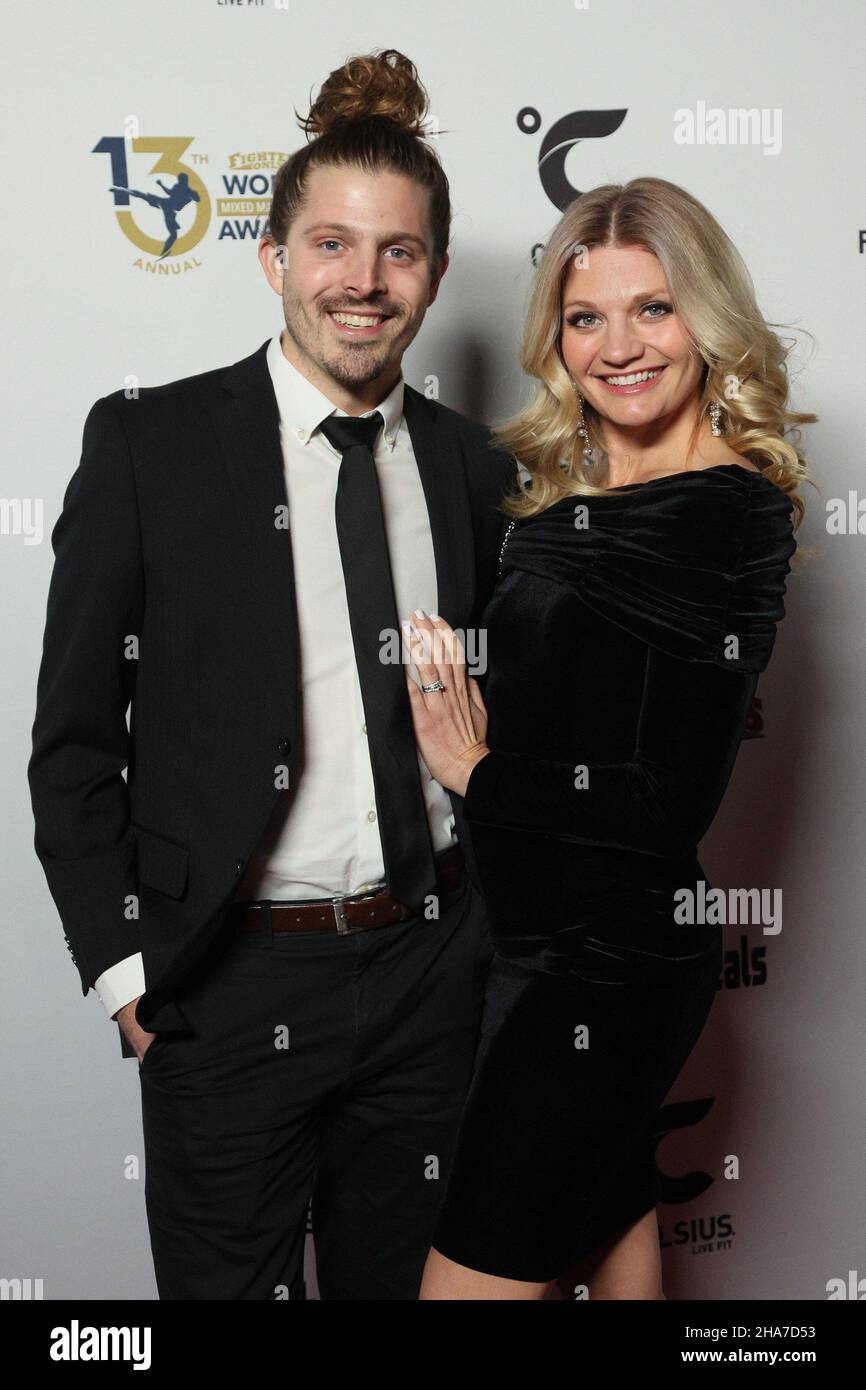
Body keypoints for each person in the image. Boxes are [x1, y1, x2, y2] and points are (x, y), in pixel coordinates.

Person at [27, 49, 514, 1300]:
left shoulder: (472, 467)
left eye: (398, 252)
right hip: (229, 982)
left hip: (428, 971)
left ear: (435, 275)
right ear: (273, 257)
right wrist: (132, 979)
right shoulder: (150, 446)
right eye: (331, 245)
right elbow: (74, 743)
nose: (362, 281)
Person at [402, 176, 816, 1300]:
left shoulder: (717, 510)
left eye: (653, 309)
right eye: (586, 316)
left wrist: (474, 774)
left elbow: (664, 802)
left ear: (706, 323)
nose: (617, 346)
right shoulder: (565, 491)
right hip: (534, 953)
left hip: (602, 972)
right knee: (617, 1274)